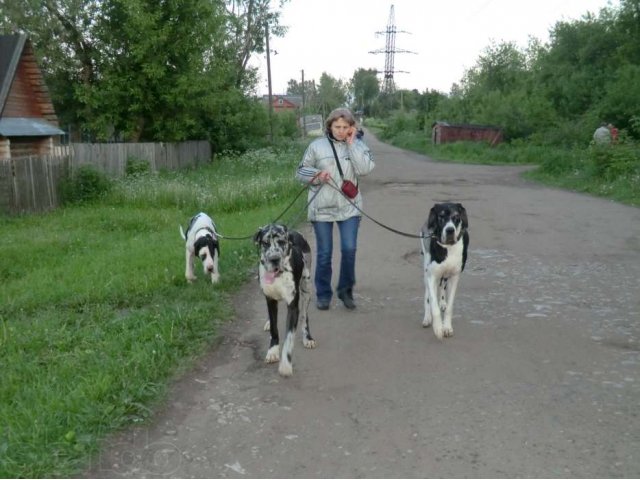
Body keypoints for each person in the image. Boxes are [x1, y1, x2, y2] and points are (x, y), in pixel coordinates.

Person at [296, 108, 375, 310]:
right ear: (329, 126)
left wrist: (352, 145)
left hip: (349, 207)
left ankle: (345, 291)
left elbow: (365, 170)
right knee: (324, 253)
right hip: (322, 207)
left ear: (352, 128)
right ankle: (323, 294)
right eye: (337, 126)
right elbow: (300, 171)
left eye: (345, 127)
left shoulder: (358, 145)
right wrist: (316, 174)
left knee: (349, 249)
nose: (340, 131)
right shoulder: (316, 146)